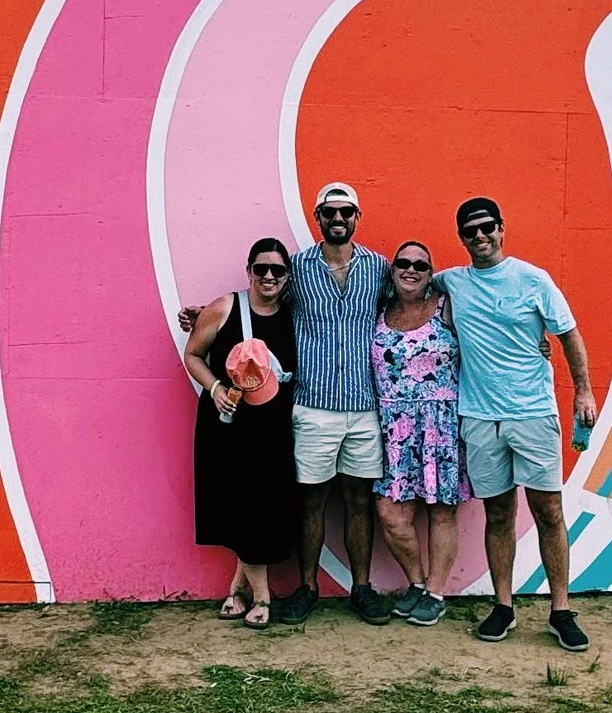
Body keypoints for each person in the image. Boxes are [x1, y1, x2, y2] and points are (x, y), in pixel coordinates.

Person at [438, 195, 597, 652]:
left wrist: (583, 389)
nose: (480, 236)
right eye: (470, 231)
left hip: (533, 414)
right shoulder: (453, 281)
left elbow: (568, 335)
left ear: (502, 229)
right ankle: (503, 606)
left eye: (487, 227)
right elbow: (409, 284)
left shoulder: (533, 279)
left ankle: (561, 610)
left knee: (549, 512)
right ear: (462, 238)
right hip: (480, 418)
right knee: (499, 514)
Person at [276, 180, 392, 624]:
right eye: (330, 213)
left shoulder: (379, 268)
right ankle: (307, 588)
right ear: (317, 217)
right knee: (312, 502)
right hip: (313, 405)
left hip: (364, 406)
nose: (338, 220)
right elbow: (262, 301)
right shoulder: (298, 268)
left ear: (357, 218)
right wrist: (207, 314)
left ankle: (361, 588)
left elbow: (413, 303)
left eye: (346, 213)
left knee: (359, 501)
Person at [183, 242, 298, 628]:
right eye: (261, 269)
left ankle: (237, 588)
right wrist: (215, 389)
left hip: (273, 429)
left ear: (287, 277)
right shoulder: (224, 307)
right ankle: (263, 596)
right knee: (241, 506)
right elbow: (194, 354)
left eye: (278, 271)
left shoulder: (294, 316)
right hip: (228, 425)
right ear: (248, 270)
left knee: (260, 508)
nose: (269, 277)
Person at [371, 241, 465, 624]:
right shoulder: (378, 311)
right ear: (392, 270)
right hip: (392, 429)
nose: (410, 269)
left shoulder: (447, 307)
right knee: (391, 513)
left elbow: (488, 337)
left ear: (431, 273)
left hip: (439, 425)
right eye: (403, 263)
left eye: (420, 265)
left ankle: (437, 593)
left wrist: (533, 344)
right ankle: (417, 583)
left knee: (442, 511)